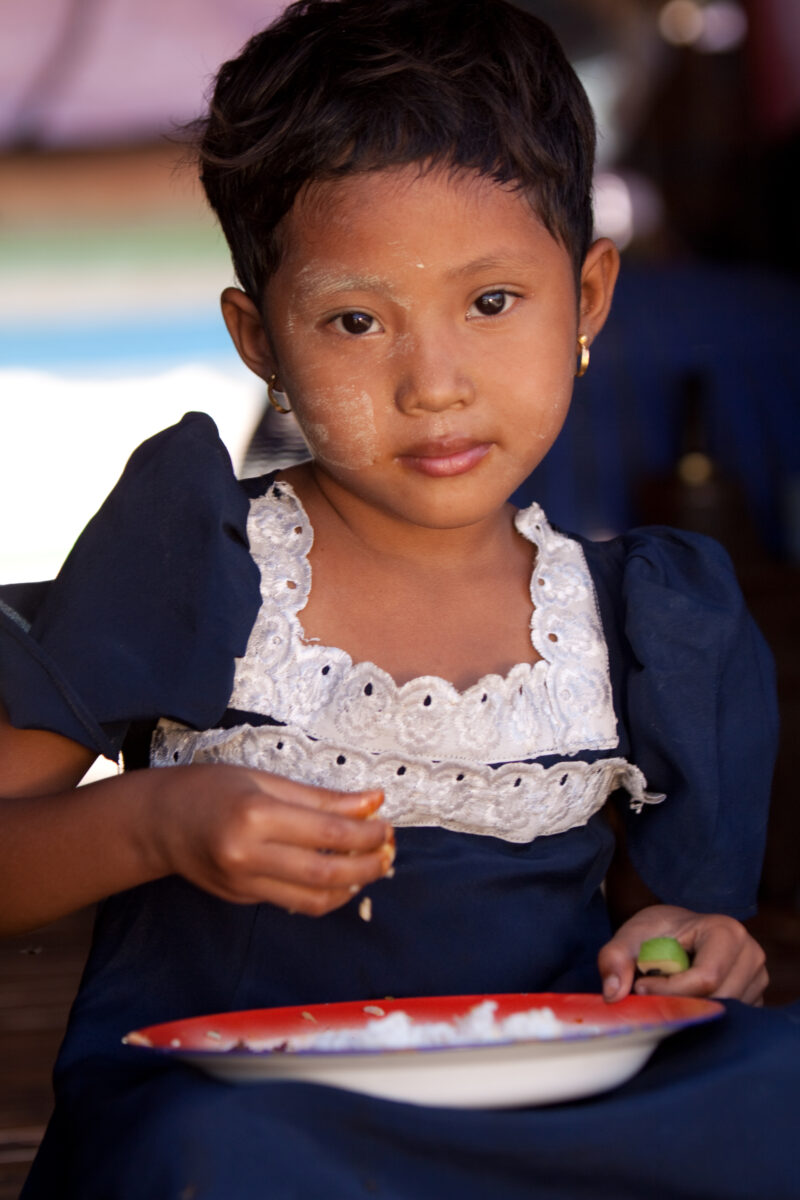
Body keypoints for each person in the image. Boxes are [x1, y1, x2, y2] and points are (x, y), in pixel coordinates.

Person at [1, 1, 797, 1196]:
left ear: (584, 299)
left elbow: (672, 926)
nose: (432, 385)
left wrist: (686, 947)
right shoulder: (200, 554)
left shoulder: (639, 616)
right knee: (208, 1160)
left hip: (539, 1112)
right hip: (257, 1123)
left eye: (490, 304)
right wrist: (156, 822)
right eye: (354, 320)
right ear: (257, 336)